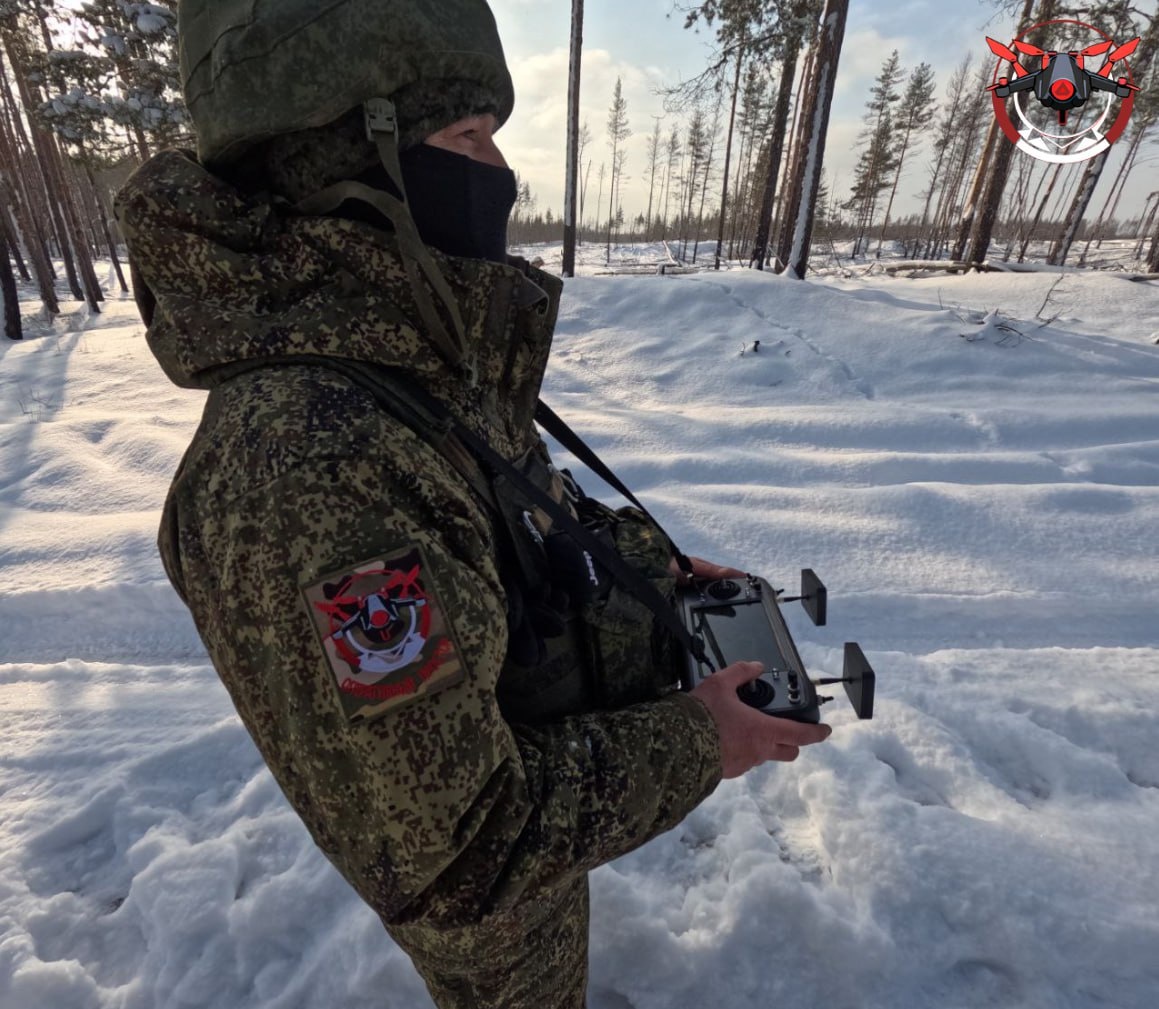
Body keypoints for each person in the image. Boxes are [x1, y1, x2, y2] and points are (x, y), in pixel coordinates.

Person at [115, 2, 832, 1006]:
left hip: (556, 812)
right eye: (466, 137)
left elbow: (507, 524)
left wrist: (645, 567)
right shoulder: (312, 462)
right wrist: (699, 741)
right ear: (352, 159)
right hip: (502, 920)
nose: (500, 172)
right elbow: (461, 856)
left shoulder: (408, 361)